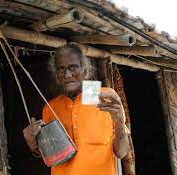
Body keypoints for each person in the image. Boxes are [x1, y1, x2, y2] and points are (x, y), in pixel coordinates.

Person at [23, 44, 129, 175]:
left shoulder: (105, 97)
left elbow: (121, 152)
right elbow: (52, 155)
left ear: (84, 71)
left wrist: (119, 123)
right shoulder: (50, 108)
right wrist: (33, 145)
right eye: (61, 69)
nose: (67, 75)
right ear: (57, 75)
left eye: (73, 67)